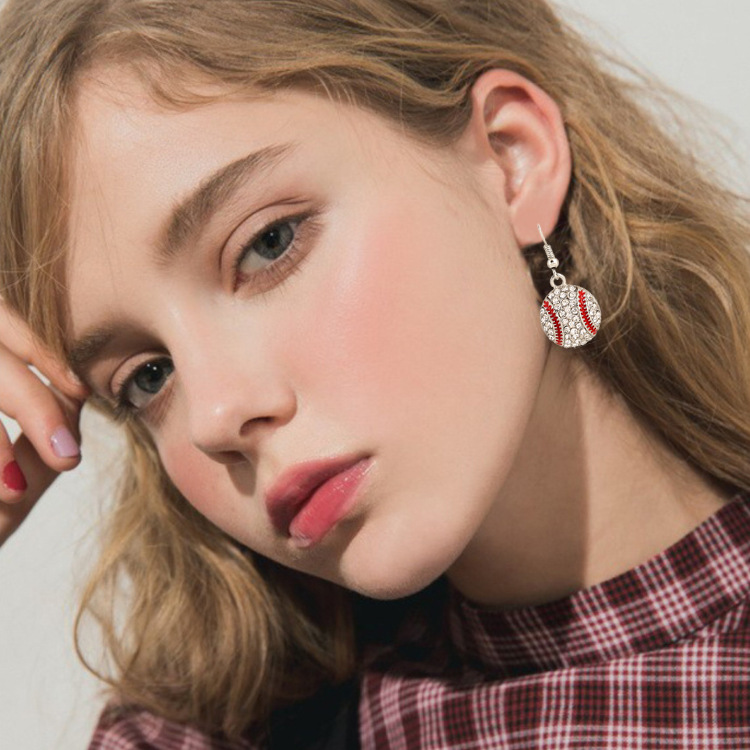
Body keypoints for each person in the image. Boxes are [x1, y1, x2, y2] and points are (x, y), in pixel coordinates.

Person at [0, 0, 748, 747]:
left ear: (512, 158)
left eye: (267, 243)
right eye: (149, 376)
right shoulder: (201, 734)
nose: (216, 416)